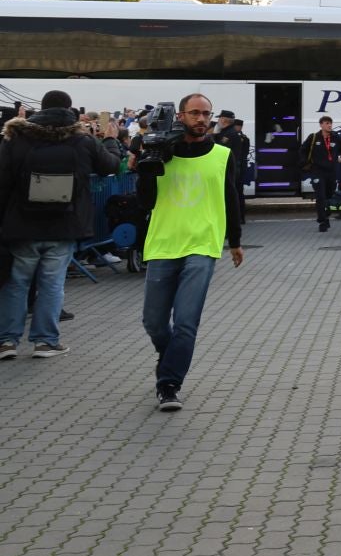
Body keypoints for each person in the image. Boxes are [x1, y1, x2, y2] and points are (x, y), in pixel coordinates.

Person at [139, 93, 246, 410]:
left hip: (203, 244)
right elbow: (145, 201)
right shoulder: (161, 153)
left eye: (206, 114)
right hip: (163, 243)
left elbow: (231, 199)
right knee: (154, 323)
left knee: (186, 321)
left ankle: (169, 384)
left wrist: (235, 241)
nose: (202, 119)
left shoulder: (223, 155)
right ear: (181, 116)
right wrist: (149, 162)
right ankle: (167, 354)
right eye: (195, 113)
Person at [0, 89, 118, 359]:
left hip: (22, 224)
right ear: (70, 109)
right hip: (65, 223)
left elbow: (2, 181)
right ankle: (45, 341)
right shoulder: (82, 140)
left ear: (40, 108)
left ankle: (7, 341)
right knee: (52, 283)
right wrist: (110, 140)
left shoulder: (15, 138)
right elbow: (109, 165)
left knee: (17, 283)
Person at [301, 115, 341, 232]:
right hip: (317, 172)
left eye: (330, 123)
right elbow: (303, 150)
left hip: (332, 172)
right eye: (327, 123)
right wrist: (306, 163)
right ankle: (322, 221)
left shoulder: (336, 137)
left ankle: (326, 216)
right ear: (321, 125)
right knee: (320, 196)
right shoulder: (314, 137)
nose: (329, 125)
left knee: (329, 197)